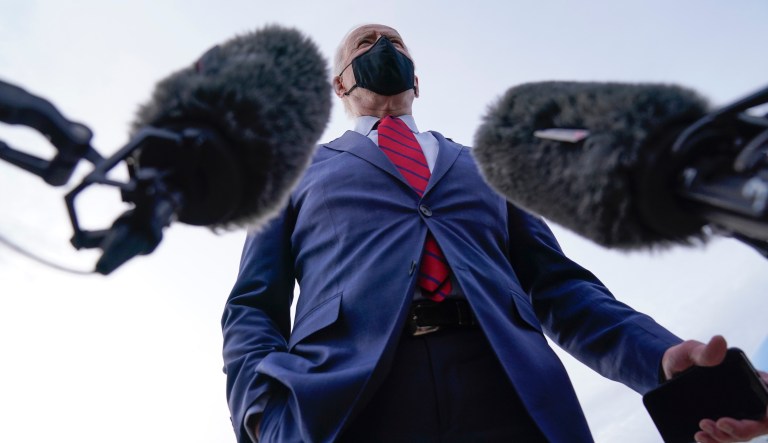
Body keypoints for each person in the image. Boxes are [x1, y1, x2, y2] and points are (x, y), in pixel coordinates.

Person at [221, 24, 768, 443]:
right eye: (366, 43)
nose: (383, 45)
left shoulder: (486, 167)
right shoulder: (295, 173)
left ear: (416, 79)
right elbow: (252, 307)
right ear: (339, 83)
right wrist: (261, 414)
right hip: (347, 401)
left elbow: (562, 290)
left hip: (509, 388)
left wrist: (660, 357)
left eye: (396, 43)